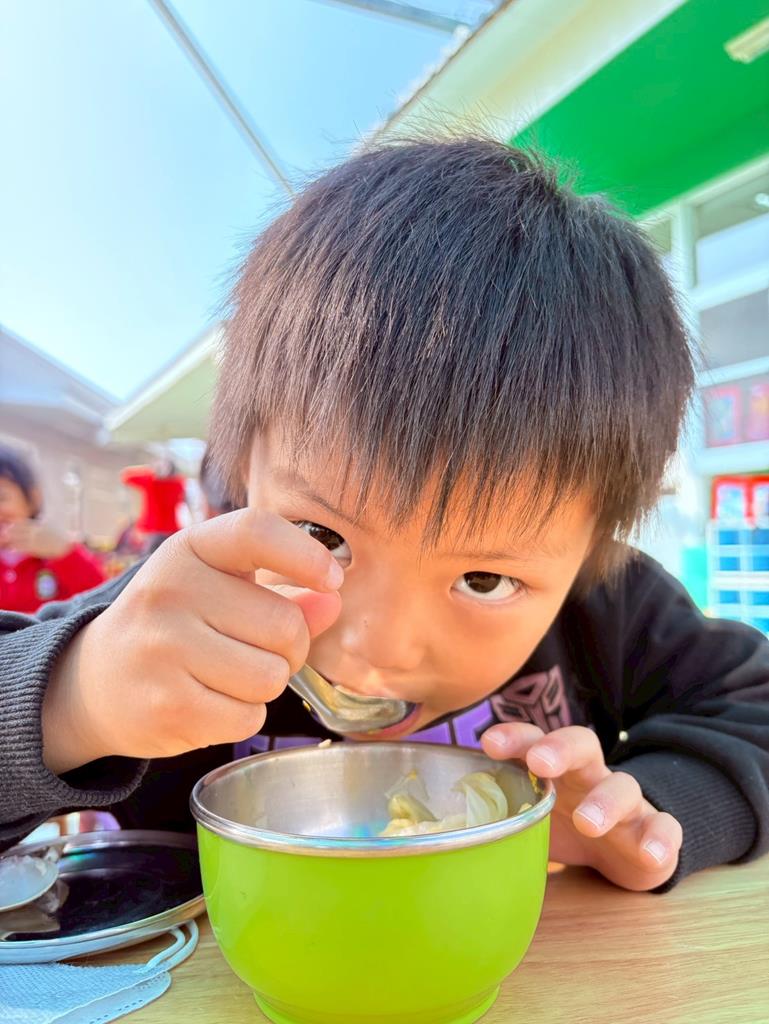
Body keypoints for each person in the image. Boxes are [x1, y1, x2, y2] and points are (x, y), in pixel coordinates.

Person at [1, 139, 767, 892]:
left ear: (589, 547)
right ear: (242, 471)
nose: (374, 649)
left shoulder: (603, 604)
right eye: (320, 536)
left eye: (484, 580)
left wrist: (653, 812)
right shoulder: (176, 607)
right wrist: (72, 702)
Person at [0, 444, 105, 612]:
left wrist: (64, 552)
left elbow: (102, 597)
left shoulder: (55, 550)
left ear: (33, 498)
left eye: (2, 497)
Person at [120, 458, 186, 551]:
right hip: (170, 529)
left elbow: (126, 475)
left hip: (152, 529)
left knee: (148, 555)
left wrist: (150, 469)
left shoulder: (150, 480)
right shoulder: (179, 483)